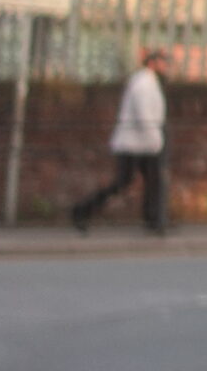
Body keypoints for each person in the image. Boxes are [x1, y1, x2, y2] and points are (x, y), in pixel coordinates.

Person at [71, 48, 171, 235]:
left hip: (143, 142)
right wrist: (156, 140)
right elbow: (144, 115)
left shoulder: (148, 82)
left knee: (153, 180)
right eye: (162, 62)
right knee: (123, 182)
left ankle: (154, 220)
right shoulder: (143, 84)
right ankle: (82, 210)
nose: (166, 66)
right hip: (135, 143)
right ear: (152, 63)